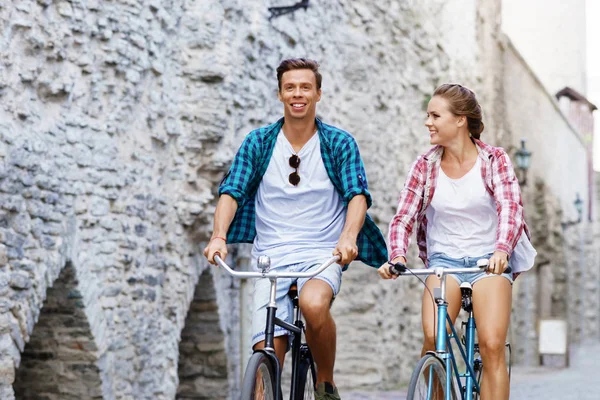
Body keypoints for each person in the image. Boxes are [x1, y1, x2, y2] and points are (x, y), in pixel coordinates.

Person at [204, 58, 387, 400]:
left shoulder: (338, 143)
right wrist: (219, 236)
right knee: (266, 357)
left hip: (321, 254)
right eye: (290, 87)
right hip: (270, 259)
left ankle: (326, 384)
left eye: (305, 87)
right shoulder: (258, 143)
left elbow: (357, 196)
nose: (297, 94)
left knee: (313, 304)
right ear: (280, 94)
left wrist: (348, 238)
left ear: (318, 93)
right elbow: (231, 191)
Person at [379, 84, 536, 400]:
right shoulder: (425, 164)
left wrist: (502, 250)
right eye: (428, 115)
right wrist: (396, 255)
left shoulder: (494, 159)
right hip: (443, 263)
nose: (428, 122)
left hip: (488, 262)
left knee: (492, 344)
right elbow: (404, 217)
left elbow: (511, 208)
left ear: (460, 120)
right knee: (433, 339)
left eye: (435, 115)